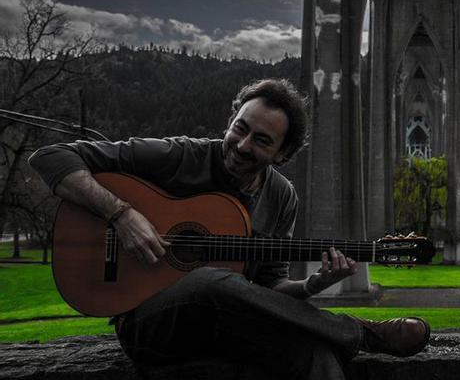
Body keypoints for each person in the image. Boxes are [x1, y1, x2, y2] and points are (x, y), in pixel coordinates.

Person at [28, 78, 430, 379]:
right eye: (240, 127)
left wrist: (312, 285)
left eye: (261, 140)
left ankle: (337, 338)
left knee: (316, 354)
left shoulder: (282, 197)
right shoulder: (179, 156)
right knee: (210, 281)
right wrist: (121, 214)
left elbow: (269, 289)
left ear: (282, 154)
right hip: (150, 325)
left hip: (233, 327)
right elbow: (51, 157)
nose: (242, 145)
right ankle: (360, 333)